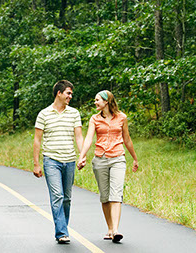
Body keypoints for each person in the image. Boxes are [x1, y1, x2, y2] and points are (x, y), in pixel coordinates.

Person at [77, 90, 138, 243]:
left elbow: (127, 139)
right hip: (100, 160)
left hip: (118, 158)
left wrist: (135, 158)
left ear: (106, 101)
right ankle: (110, 228)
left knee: (116, 194)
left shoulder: (122, 117)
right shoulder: (94, 119)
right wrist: (82, 155)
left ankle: (116, 230)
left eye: (97, 100)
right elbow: (89, 138)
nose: (95, 103)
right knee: (105, 196)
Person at [33, 80, 84, 244]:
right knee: (57, 196)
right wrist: (36, 163)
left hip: (69, 160)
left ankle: (63, 228)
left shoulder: (74, 113)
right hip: (51, 161)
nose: (71, 96)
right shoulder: (44, 114)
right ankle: (61, 232)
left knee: (67, 198)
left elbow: (78, 136)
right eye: (68, 93)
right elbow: (37, 140)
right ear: (59, 93)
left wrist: (82, 155)